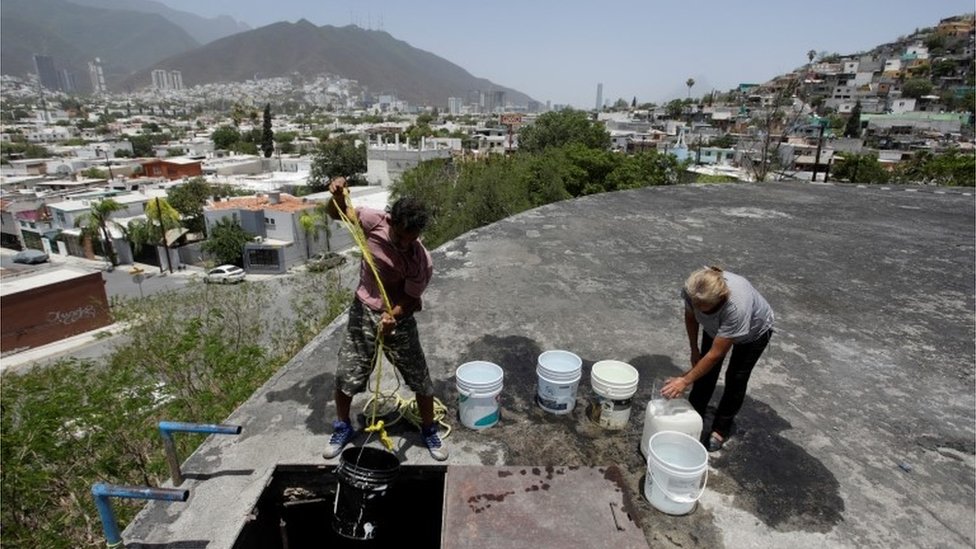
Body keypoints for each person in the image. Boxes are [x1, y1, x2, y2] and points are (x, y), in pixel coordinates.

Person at [321, 177, 448, 461]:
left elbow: (412, 299)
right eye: (400, 236)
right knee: (347, 374)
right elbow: (337, 213)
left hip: (398, 316)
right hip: (363, 309)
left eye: (410, 239)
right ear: (391, 221)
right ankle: (342, 426)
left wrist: (393, 316)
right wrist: (338, 196)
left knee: (420, 377)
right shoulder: (373, 221)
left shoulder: (420, 261)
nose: (404, 244)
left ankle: (429, 429)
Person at [661, 266, 774, 452]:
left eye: (701, 308)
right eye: (694, 303)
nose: (695, 307)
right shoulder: (694, 289)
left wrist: (685, 380)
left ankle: (721, 428)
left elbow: (715, 354)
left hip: (754, 332)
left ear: (719, 299)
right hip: (714, 326)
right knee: (704, 374)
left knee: (736, 378)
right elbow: (690, 317)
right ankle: (694, 416)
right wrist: (693, 348)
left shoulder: (736, 307)